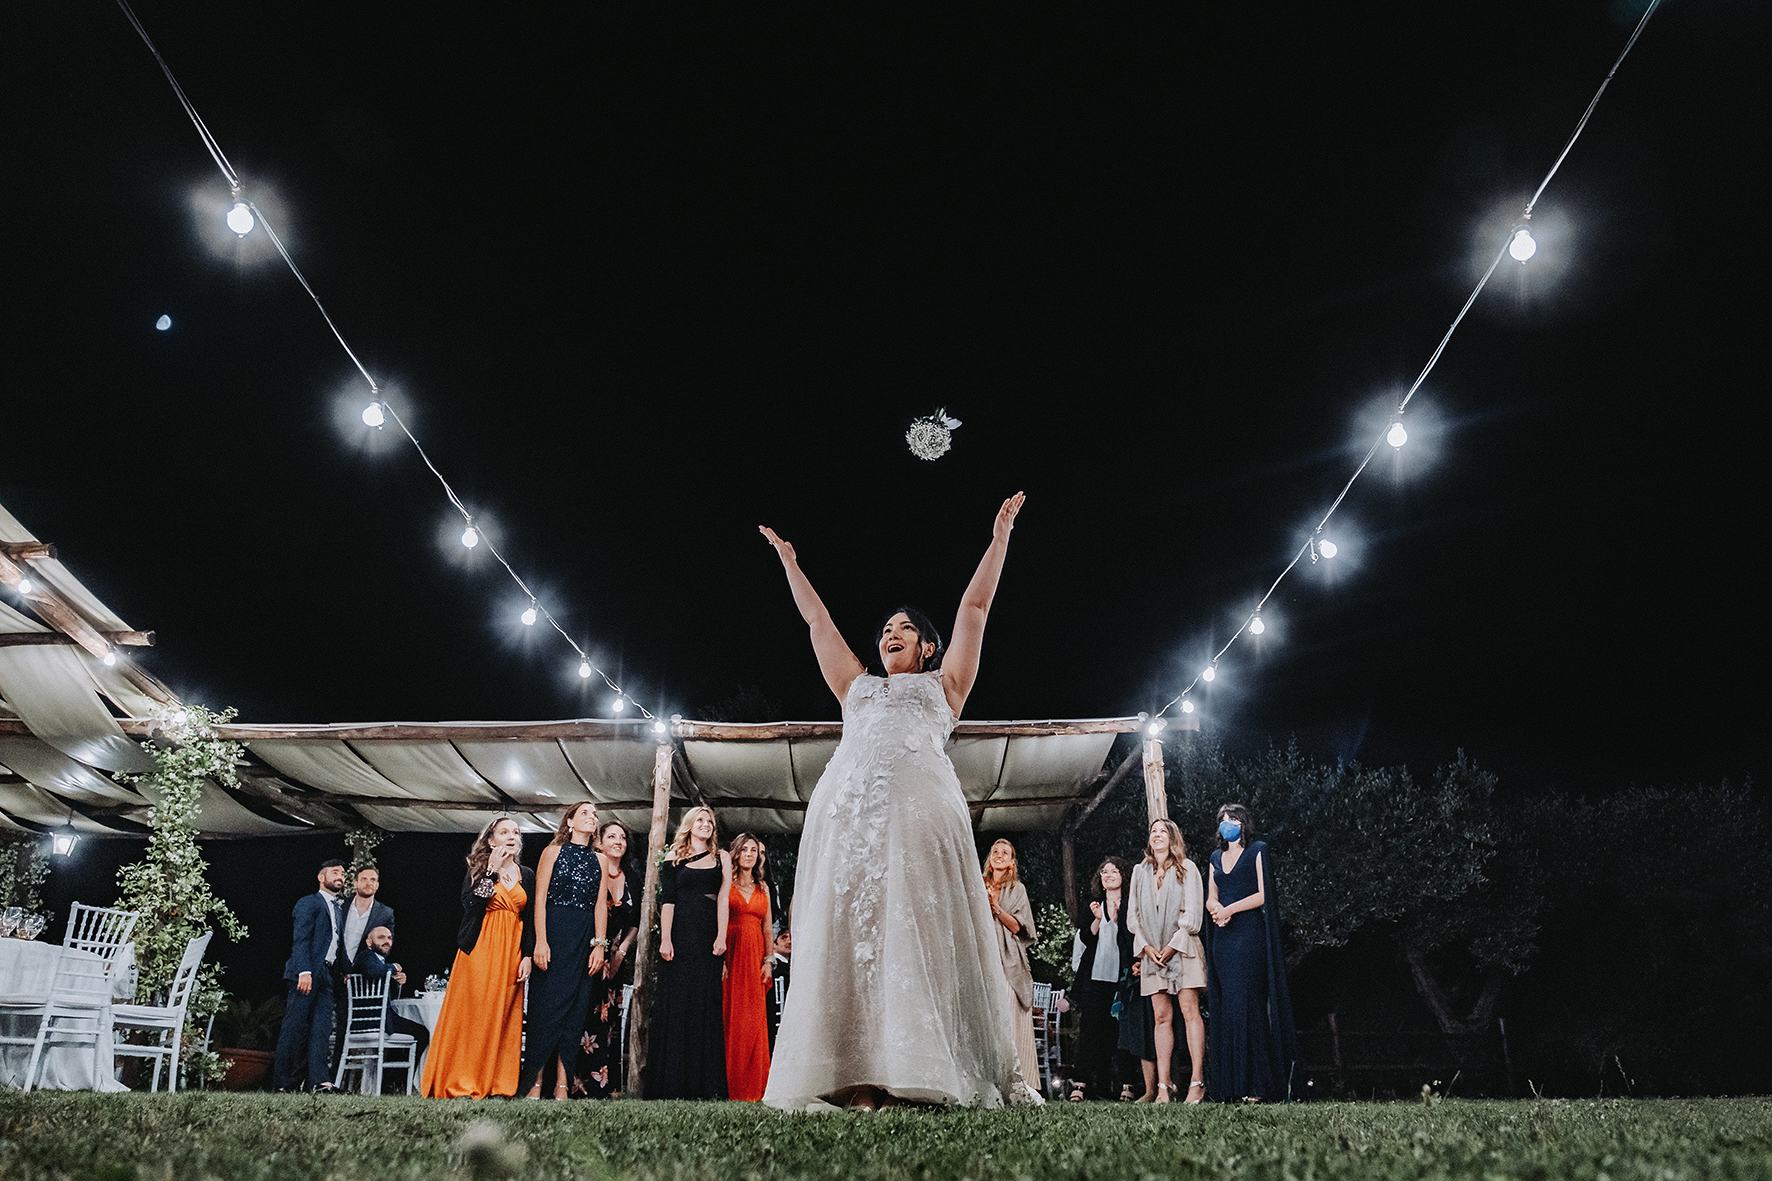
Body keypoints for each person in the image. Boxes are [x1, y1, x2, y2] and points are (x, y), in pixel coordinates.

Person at [758, 493, 1038, 1110]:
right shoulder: (856, 689)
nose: (890, 634)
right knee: (851, 933)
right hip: (849, 821)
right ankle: (854, 1074)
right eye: (885, 629)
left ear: (928, 648)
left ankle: (916, 1069)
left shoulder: (947, 685)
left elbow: (975, 607)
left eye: (904, 628)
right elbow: (817, 625)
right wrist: (790, 564)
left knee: (911, 931)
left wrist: (999, 539)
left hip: (919, 819)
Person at [421, 816, 535, 1098]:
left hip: (512, 950)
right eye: (504, 832)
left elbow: (530, 918)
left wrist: (529, 955)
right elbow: (471, 905)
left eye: (516, 832)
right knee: (474, 1014)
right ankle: (463, 1079)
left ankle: (498, 1083)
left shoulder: (527, 874)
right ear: (491, 840)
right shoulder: (478, 869)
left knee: (504, 1015)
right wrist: (492, 872)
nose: (512, 836)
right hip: (480, 948)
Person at [1203, 803, 1300, 1103]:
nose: (1227, 823)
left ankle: (1259, 1085)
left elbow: (1262, 894)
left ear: (1244, 823)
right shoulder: (1215, 857)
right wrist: (1216, 909)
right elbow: (1210, 896)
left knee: (1250, 1004)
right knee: (1229, 1006)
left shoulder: (1258, 850)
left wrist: (1230, 909)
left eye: (1233, 819)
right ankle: (1233, 1086)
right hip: (1223, 938)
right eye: (1223, 819)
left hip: (1249, 934)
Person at [521, 802, 608, 1099]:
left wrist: (599, 945)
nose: (592, 817)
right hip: (554, 933)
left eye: (594, 814)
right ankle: (534, 1082)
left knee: (574, 1013)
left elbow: (600, 906)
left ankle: (562, 1085)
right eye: (585, 812)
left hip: (584, 936)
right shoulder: (552, 851)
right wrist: (540, 943)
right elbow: (540, 899)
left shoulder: (601, 859)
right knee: (545, 1011)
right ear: (569, 821)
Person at [645, 805, 732, 1099]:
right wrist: (665, 939)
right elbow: (668, 900)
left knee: (704, 1006)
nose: (706, 824)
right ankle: (672, 1084)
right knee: (677, 1005)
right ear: (689, 825)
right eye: (700, 820)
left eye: (710, 821)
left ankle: (703, 1085)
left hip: (708, 938)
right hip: (680, 937)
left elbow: (723, 899)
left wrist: (722, 937)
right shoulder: (673, 857)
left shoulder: (722, 858)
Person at [1127, 818, 1205, 1104]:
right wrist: (1147, 947)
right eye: (1153, 831)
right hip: (1151, 951)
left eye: (1163, 832)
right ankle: (1163, 1086)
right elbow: (1133, 917)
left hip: (1182, 948)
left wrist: (1172, 946)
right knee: (1161, 1017)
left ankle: (1197, 1082)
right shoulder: (1140, 872)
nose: (1157, 835)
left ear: (1173, 839)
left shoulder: (1188, 868)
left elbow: (1193, 916)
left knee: (1189, 1011)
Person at [574, 819, 638, 1099]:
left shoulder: (632, 878)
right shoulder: (589, 870)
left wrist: (621, 951)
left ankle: (606, 1086)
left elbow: (635, 922)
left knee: (608, 1022)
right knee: (583, 1017)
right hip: (587, 952)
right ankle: (576, 1084)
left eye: (622, 837)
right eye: (611, 836)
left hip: (614, 958)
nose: (618, 841)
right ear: (599, 842)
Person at [273, 858, 346, 1092]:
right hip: (306, 972)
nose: (340, 877)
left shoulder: (338, 909)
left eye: (343, 874)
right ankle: (282, 1084)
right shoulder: (309, 903)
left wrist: (345, 972)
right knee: (294, 1027)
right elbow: (301, 939)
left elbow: (337, 945)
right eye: (335, 872)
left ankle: (319, 1082)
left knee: (321, 1030)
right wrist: (304, 971)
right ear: (321, 877)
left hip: (327, 974)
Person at [1072, 856, 1135, 1101]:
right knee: (1090, 1031)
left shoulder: (1131, 904)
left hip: (1121, 977)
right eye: (1104, 872)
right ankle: (1081, 1085)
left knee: (1121, 1032)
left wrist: (1119, 918)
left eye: (1114, 871)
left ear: (1123, 876)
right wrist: (1098, 919)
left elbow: (1131, 936)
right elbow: (1085, 939)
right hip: (1095, 977)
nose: (1108, 875)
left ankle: (1126, 1085)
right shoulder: (1092, 905)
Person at [983, 839, 1040, 1092]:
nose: (998, 855)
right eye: (995, 851)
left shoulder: (1017, 889)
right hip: (982, 956)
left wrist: (995, 909)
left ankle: (1020, 1081)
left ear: (1011, 862)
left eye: (1004, 853)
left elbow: (1019, 927)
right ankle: (987, 1080)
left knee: (1008, 1014)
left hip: (1008, 960)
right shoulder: (978, 885)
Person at [723, 832, 774, 1101]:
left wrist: (769, 960)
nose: (749, 854)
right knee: (730, 1017)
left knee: (754, 1020)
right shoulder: (725, 883)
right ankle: (730, 1084)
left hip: (755, 956)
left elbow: (768, 929)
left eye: (753, 850)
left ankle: (755, 1085)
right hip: (731, 953)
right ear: (736, 853)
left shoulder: (763, 888)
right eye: (744, 850)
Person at [331, 863, 394, 1075]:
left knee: (345, 1029)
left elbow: (383, 949)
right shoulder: (340, 906)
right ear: (356, 883)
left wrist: (358, 970)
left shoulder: (385, 913)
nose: (369, 883)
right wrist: (343, 968)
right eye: (364, 879)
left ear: (377, 886)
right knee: (323, 1028)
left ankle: (338, 1078)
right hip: (335, 972)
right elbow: (333, 939)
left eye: (373, 880)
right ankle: (322, 1078)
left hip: (359, 980)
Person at [352, 925, 432, 1068]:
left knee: (415, 1031)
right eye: (381, 938)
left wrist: (397, 982)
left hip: (381, 1018)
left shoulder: (379, 962)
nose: (386, 941)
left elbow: (389, 996)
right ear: (369, 942)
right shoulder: (366, 956)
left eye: (389, 938)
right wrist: (393, 968)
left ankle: (393, 1079)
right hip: (371, 1020)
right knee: (422, 1033)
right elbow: (372, 971)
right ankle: (398, 1079)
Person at [765, 927, 791, 1051]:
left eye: (791, 937)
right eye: (783, 938)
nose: (789, 941)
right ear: (774, 944)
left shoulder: (789, 965)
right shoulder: (775, 968)